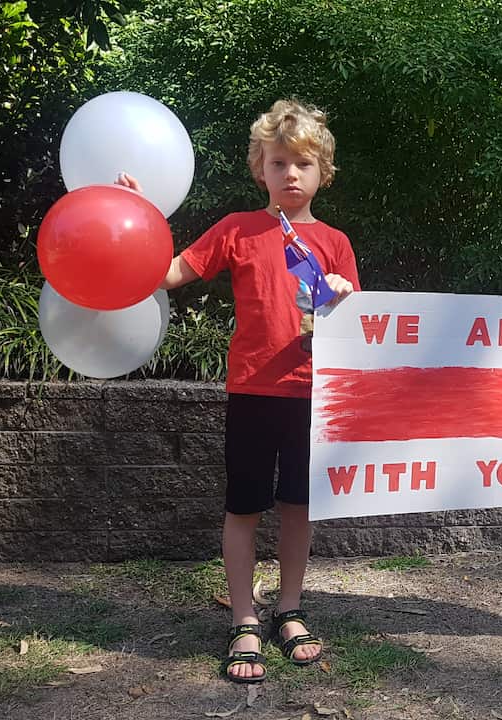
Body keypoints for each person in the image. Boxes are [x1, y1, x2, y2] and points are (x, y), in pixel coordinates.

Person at [118, 99, 359, 683]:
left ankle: (290, 609)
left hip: (314, 396)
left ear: (324, 171)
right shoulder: (237, 229)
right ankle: (244, 618)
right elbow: (168, 273)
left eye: (303, 163)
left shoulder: (336, 242)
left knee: (299, 507)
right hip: (252, 391)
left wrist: (344, 294)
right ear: (260, 170)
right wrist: (137, 214)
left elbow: (360, 329)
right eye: (279, 163)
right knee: (243, 507)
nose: (291, 174)